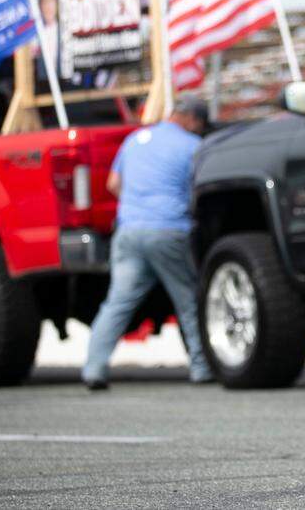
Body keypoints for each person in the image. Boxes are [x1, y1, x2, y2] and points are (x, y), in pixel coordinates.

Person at [82, 97, 213, 390]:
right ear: (192, 119)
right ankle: (202, 367)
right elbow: (199, 190)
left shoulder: (135, 139)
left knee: (117, 304)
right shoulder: (193, 146)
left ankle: (94, 368)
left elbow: (113, 185)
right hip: (168, 230)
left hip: (128, 231)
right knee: (188, 300)